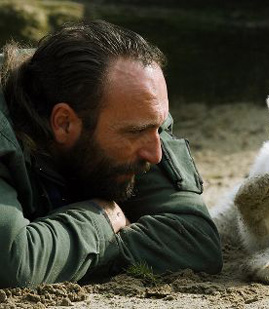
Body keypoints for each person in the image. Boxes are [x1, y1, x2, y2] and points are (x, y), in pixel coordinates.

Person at [0, 20, 222, 288]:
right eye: (135, 132)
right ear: (64, 123)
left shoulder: (136, 111)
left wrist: (61, 251)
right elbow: (14, 266)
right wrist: (101, 218)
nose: (155, 154)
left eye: (157, 127)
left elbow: (194, 240)